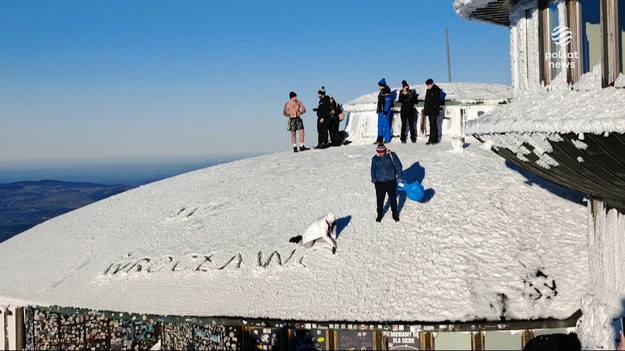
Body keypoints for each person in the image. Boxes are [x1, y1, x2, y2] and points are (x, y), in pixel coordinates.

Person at [371, 143, 403, 222]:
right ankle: (379, 213)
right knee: (380, 199)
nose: (380, 154)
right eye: (379, 152)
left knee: (392, 198)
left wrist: (399, 177)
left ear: (385, 150)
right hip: (379, 182)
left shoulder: (391, 155)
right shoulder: (375, 158)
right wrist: (374, 179)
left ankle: (395, 213)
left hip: (391, 181)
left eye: (381, 152)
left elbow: (399, 166)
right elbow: (373, 170)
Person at [376, 78, 394, 143]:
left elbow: (388, 102)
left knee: (386, 125)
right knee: (380, 125)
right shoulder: (381, 92)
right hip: (380, 111)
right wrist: (378, 110)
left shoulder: (386, 92)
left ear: (382, 85)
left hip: (385, 112)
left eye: (379, 85)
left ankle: (387, 139)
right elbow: (379, 102)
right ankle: (379, 139)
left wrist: (385, 111)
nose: (378, 86)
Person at [423, 78, 441, 145]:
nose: (428, 86)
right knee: (432, 125)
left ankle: (433, 140)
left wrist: (432, 108)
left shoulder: (436, 90)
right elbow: (426, 101)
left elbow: (436, 102)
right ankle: (432, 139)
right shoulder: (428, 90)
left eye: (429, 85)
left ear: (432, 84)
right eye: (427, 85)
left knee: (433, 125)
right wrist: (426, 110)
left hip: (433, 111)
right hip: (429, 111)